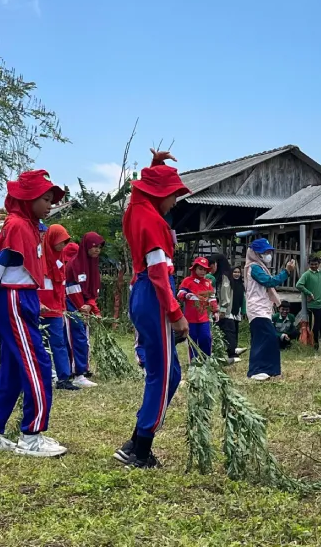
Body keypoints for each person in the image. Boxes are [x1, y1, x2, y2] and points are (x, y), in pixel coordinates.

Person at [0, 170, 67, 458]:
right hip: (13, 301)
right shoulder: (17, 225)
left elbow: (22, 271)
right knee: (39, 366)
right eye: (44, 199)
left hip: (22, 300)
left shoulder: (32, 227)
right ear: (28, 198)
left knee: (13, 371)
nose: (49, 204)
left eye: (51, 199)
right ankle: (31, 436)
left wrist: (35, 300)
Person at [113, 149, 191, 469]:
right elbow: (160, 273)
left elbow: (139, 189)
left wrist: (156, 166)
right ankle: (141, 451)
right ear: (160, 194)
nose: (175, 201)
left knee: (169, 373)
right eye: (173, 194)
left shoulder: (135, 210)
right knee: (163, 375)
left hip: (142, 294)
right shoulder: (154, 222)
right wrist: (176, 313)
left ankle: (134, 441)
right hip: (156, 295)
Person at [244, 238, 296, 381]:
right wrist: (286, 271)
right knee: (267, 338)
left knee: (266, 339)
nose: (268, 254)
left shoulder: (259, 267)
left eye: (268, 252)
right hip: (257, 309)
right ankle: (257, 370)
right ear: (255, 253)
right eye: (264, 252)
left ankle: (270, 370)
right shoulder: (254, 268)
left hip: (262, 309)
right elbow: (269, 282)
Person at [38, 225, 78, 391]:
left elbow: (61, 288)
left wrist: (62, 308)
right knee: (41, 345)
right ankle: (43, 377)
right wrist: (36, 304)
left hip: (55, 311)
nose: (63, 245)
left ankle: (64, 378)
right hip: (39, 310)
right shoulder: (38, 259)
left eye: (65, 241)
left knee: (59, 343)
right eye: (61, 241)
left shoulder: (60, 260)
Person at [65, 232, 104, 388]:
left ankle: (83, 369)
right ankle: (77, 373)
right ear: (87, 245)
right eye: (95, 246)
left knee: (84, 338)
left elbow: (94, 288)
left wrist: (90, 304)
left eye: (100, 247)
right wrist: (82, 307)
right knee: (76, 338)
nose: (97, 250)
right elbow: (71, 287)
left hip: (84, 307)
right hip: (73, 306)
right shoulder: (74, 264)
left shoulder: (92, 264)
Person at [177, 257, 220, 360]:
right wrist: (186, 295)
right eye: (200, 269)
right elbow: (179, 293)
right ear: (194, 269)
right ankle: (194, 361)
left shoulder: (207, 283)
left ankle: (206, 359)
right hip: (190, 318)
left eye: (205, 269)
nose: (202, 271)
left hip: (204, 318)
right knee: (192, 340)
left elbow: (212, 299)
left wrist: (215, 311)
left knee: (206, 338)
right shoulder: (187, 281)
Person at [211, 255, 247, 360]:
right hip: (223, 310)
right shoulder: (220, 276)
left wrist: (222, 309)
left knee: (229, 332)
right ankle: (227, 352)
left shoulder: (224, 276)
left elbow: (225, 295)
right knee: (223, 332)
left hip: (226, 311)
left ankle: (232, 353)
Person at [296, 257, 321, 351]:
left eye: (316, 264)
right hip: (314, 306)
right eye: (312, 264)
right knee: (315, 328)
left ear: (319, 264)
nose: (314, 266)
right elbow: (299, 285)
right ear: (309, 264)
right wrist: (308, 293)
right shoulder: (306, 274)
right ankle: (314, 347)